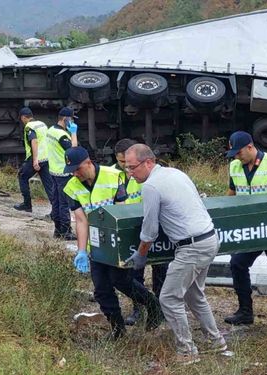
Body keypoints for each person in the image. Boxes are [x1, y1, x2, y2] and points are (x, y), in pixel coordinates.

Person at [125, 144, 225, 364]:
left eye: (133, 168)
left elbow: (149, 230)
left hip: (192, 247)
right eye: (127, 168)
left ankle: (187, 351)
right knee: (194, 295)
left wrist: (141, 255)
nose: (130, 174)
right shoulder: (176, 172)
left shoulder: (151, 186)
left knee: (169, 298)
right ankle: (216, 341)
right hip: (209, 238)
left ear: (148, 162)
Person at [63, 146, 163, 339]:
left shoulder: (113, 176)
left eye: (77, 169)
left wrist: (120, 246)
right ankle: (118, 330)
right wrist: (81, 250)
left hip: (114, 241)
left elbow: (121, 212)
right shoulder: (71, 187)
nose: (75, 174)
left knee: (121, 281)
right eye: (71, 171)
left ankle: (152, 304)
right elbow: (81, 220)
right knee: (101, 289)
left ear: (88, 163)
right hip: (95, 244)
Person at [223, 131, 267, 325]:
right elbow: (231, 192)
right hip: (249, 229)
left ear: (250, 147)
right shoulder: (234, 166)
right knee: (237, 264)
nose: (237, 158)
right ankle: (245, 311)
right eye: (234, 155)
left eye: (239, 153)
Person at [111, 138, 168, 326]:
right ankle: (139, 308)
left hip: (152, 226)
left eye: (127, 163)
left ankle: (161, 307)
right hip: (132, 229)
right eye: (120, 162)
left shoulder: (147, 175)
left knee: (160, 269)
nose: (124, 167)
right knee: (134, 273)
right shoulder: (114, 175)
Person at [13, 107, 56, 213]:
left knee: (22, 176)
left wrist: (35, 160)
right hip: (47, 158)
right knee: (48, 184)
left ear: (23, 117)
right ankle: (55, 209)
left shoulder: (29, 127)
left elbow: (34, 141)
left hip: (37, 158)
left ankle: (27, 205)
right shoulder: (42, 124)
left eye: (21, 119)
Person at [47, 107, 78, 240]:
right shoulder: (62, 135)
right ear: (65, 119)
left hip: (53, 171)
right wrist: (74, 133)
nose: (71, 122)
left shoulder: (51, 130)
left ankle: (57, 230)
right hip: (63, 173)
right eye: (71, 119)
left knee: (56, 202)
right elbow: (74, 150)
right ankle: (66, 231)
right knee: (64, 203)